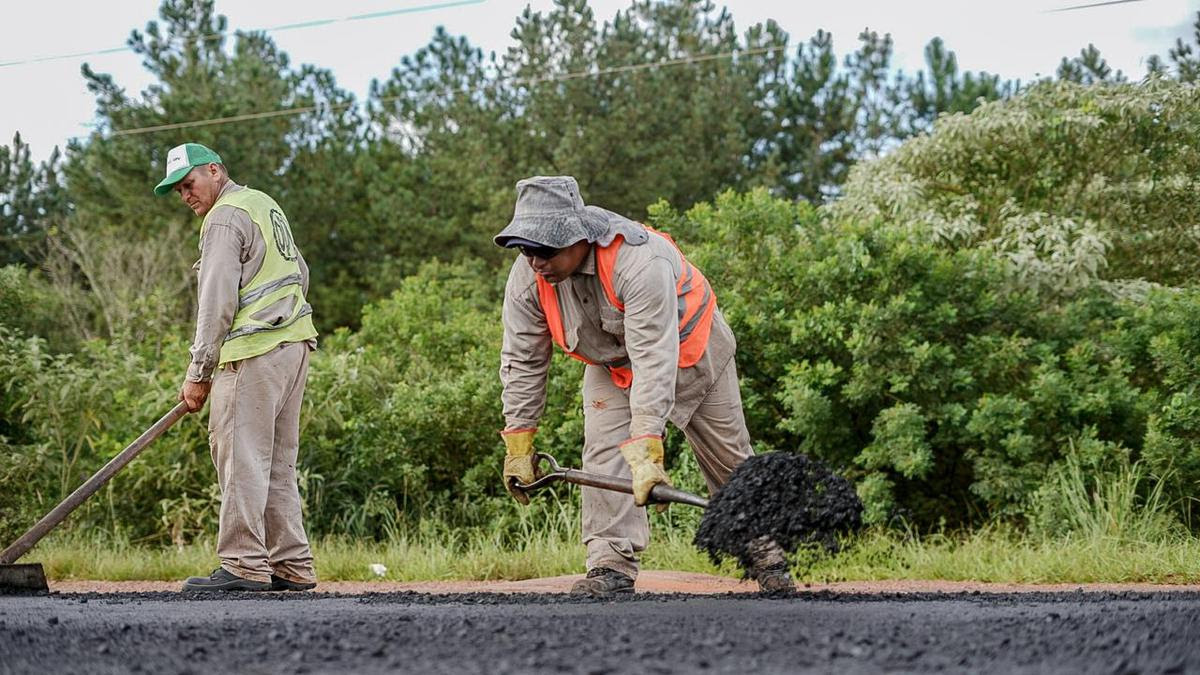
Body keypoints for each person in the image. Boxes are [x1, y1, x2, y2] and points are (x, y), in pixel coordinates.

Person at [495, 176, 795, 596]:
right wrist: (519, 445)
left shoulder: (639, 261)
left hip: (692, 353)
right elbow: (522, 360)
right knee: (602, 454)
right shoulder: (527, 280)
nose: (534, 261)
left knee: (730, 461)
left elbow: (655, 356)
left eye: (545, 249)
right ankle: (610, 566)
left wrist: (648, 451)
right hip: (613, 362)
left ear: (579, 236)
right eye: (526, 249)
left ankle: (768, 558)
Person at [154, 143, 319, 592]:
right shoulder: (262, 203)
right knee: (277, 463)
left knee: (241, 459)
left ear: (214, 170)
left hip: (253, 353)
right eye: (178, 190)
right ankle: (291, 564)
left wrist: (199, 370)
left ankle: (244, 563)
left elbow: (216, 302)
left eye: (189, 184)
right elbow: (300, 273)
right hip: (293, 346)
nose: (186, 195)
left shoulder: (223, 217)